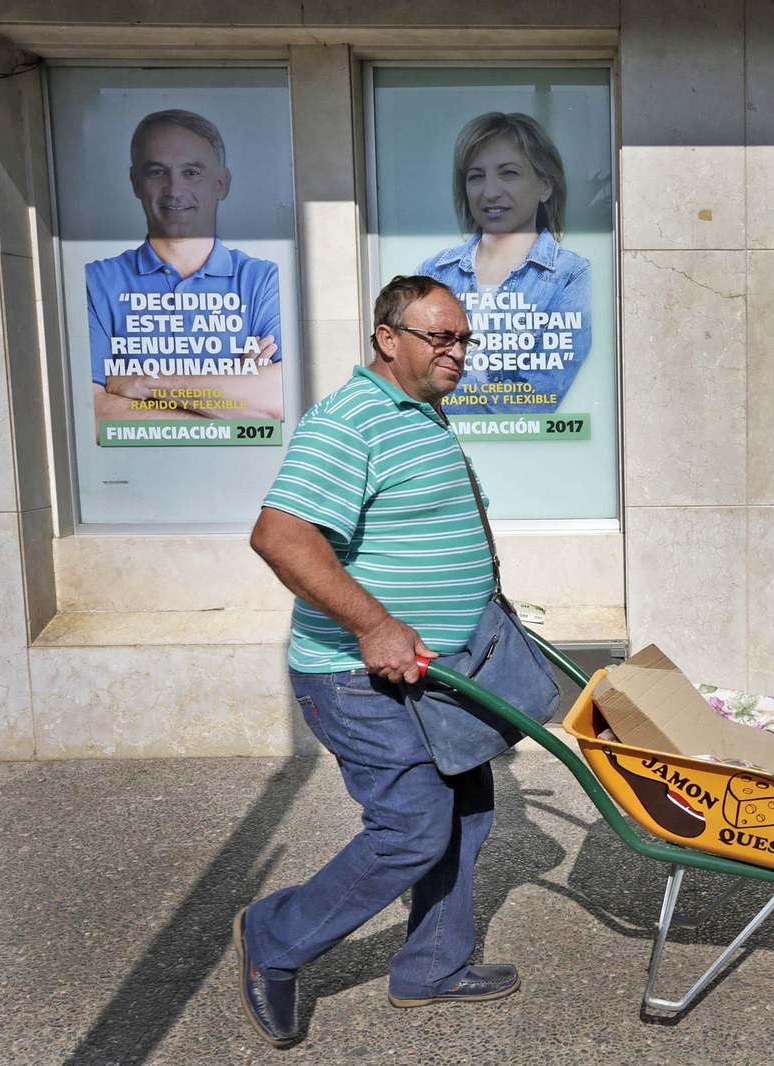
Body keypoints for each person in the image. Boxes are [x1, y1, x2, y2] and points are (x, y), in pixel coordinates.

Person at [233, 276, 514, 1048]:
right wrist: (376, 624)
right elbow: (281, 536)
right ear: (389, 338)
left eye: (463, 338)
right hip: (358, 676)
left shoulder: (421, 412)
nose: (457, 353)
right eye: (441, 338)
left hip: (437, 673)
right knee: (411, 829)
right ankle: (274, 937)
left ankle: (432, 966)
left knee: (466, 810)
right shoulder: (350, 420)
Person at [87, 109, 284, 426]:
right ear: (135, 182)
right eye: (156, 172)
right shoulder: (96, 282)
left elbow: (278, 399)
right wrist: (230, 396)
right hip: (131, 473)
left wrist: (145, 383)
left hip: (246, 471)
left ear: (221, 184)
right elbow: (93, 416)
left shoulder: (263, 281)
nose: (174, 189)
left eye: (192, 172)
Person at [417, 112, 592, 415]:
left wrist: (442, 393)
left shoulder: (569, 276)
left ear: (546, 187)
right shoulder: (434, 273)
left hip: (523, 456)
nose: (490, 191)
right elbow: (412, 380)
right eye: (476, 176)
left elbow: (535, 400)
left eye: (508, 173)